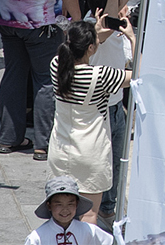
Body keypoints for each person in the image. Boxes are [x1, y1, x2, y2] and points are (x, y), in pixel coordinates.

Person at [47, 20, 128, 223]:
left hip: (61, 150)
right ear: (90, 47)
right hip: (91, 153)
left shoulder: (57, 65)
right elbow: (138, 75)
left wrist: (94, 34)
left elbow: (78, 50)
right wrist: (133, 39)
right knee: (89, 214)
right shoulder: (100, 75)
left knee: (61, 214)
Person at [25, 176, 111, 245]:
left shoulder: (89, 231)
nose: (65, 209)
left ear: (76, 204)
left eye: (70, 204)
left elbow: (110, 241)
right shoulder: (37, 237)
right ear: (49, 205)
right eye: (59, 204)